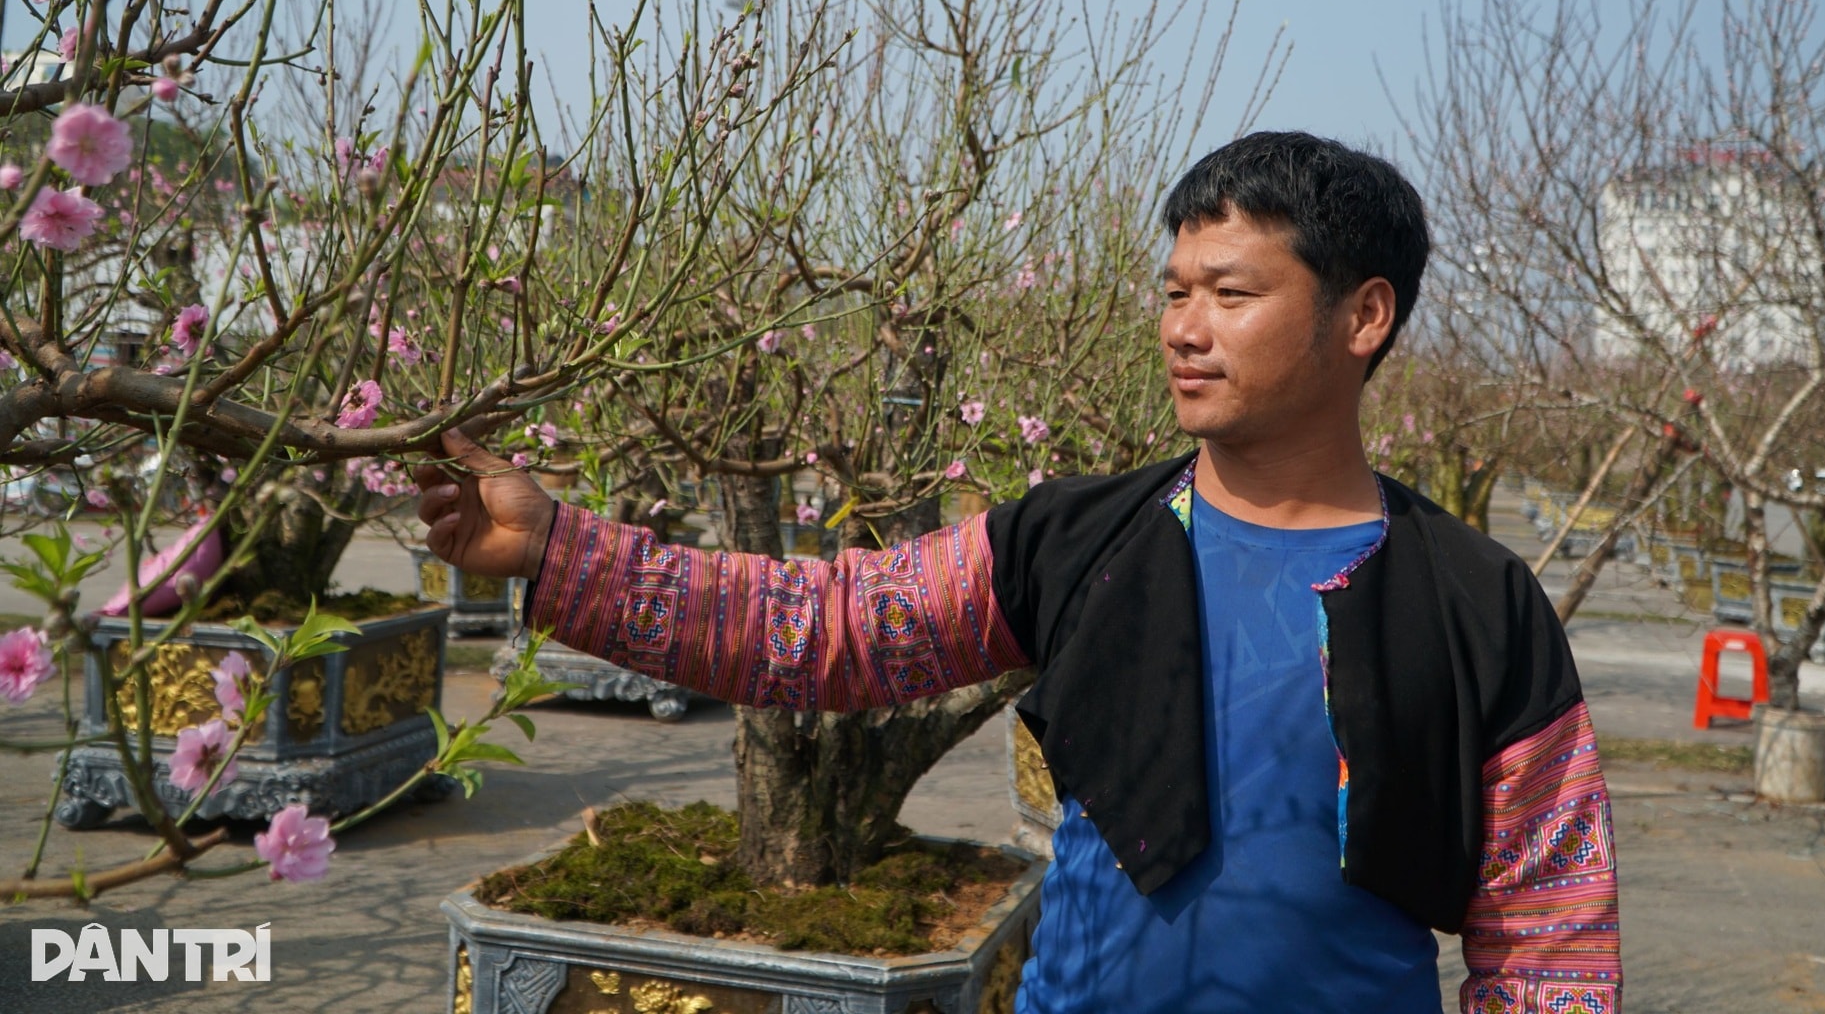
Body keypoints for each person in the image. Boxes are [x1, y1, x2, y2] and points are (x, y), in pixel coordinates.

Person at [413, 131, 1621, 1013]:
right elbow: (832, 629)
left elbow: (1549, 931)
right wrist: (561, 551)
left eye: (1232, 293)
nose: (1184, 328)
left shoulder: (1473, 600)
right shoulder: (1078, 539)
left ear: (1363, 316)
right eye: (1174, 292)